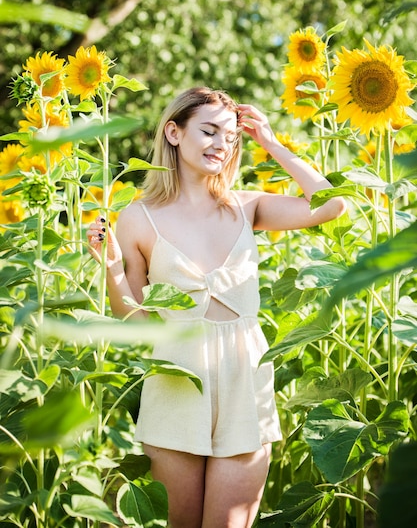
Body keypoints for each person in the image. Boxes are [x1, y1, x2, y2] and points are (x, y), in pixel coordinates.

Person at [87, 86, 346, 528]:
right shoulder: (138, 218)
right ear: (173, 132)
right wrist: (111, 269)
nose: (222, 145)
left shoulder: (246, 206)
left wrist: (271, 141)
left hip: (245, 383)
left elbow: (330, 204)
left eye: (231, 136)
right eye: (209, 131)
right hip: (176, 383)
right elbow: (135, 321)